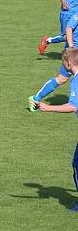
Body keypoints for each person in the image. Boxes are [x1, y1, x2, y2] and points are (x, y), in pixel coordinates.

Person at [32, 48, 78, 212]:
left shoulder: (75, 80)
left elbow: (73, 106)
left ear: (67, 63)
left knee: (77, 163)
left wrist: (48, 107)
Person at [30, 12, 78, 111]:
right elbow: (69, 28)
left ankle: (48, 40)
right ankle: (35, 99)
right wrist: (71, 47)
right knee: (62, 79)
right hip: (74, 55)